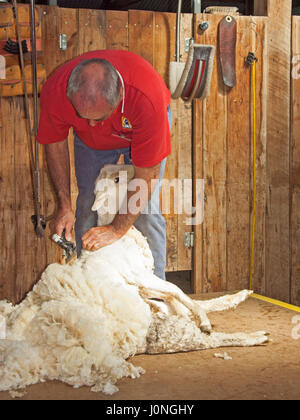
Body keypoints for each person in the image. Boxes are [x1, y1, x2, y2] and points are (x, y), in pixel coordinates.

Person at [36, 50, 172, 280]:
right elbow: (55, 144)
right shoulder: (56, 90)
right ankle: (87, 284)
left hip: (137, 128)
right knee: (88, 203)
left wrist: (116, 230)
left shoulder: (146, 97)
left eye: (97, 118)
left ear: (118, 96)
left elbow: (146, 176)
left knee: (148, 211)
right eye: (82, 115)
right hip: (92, 143)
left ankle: (156, 291)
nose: (90, 123)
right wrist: (64, 205)